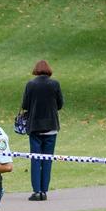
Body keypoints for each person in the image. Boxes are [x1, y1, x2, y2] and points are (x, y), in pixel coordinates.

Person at [20, 59, 64, 201]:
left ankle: (36, 191)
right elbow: (60, 104)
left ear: (36, 71)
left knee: (36, 160)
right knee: (47, 160)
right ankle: (44, 191)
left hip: (35, 128)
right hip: (51, 127)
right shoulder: (55, 84)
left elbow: (25, 105)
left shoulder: (30, 85)